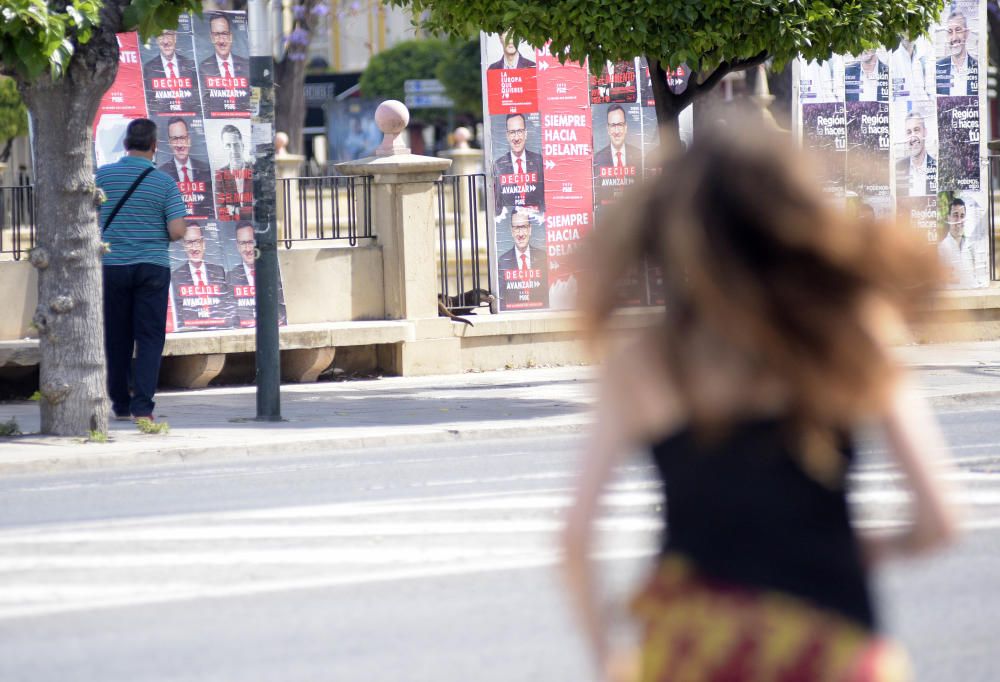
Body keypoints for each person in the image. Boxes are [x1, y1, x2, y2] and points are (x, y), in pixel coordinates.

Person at [562, 125, 958, 682]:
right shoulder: (849, 330)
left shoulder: (644, 361)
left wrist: (609, 659)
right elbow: (940, 521)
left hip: (694, 648)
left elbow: (576, 540)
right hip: (832, 647)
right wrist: (850, 546)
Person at [96, 118, 188, 420]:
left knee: (116, 336)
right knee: (149, 338)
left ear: (125, 144)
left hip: (112, 267)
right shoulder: (165, 183)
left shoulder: (103, 177)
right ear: (154, 146)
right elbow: (176, 231)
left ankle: (120, 404)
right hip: (152, 268)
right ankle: (143, 408)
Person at [172, 222, 232, 328]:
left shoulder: (218, 271)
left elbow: (226, 306)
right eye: (190, 242)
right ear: (184, 245)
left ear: (203, 244)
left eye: (197, 241)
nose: (194, 248)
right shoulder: (176, 277)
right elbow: (178, 313)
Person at [227, 221, 287, 326]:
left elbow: (282, 305)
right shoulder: (230, 277)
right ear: (237, 246)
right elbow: (231, 311)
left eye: (250, 242)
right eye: (243, 243)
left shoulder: (274, 271)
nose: (248, 249)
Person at [158, 117, 214, 217]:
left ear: (189, 140)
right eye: (175, 139)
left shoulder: (206, 169)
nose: (179, 145)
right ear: (169, 142)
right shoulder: (161, 174)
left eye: (182, 138)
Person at [492, 113, 545, 215]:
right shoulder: (499, 165)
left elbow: (544, 199)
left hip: (537, 222)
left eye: (519, 131)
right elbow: (498, 206)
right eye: (512, 132)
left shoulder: (538, 161)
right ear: (507, 135)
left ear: (526, 133)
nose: (516, 138)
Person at [938, 198, 986, 289]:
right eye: (955, 215)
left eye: (962, 215)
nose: (959, 219)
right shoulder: (941, 249)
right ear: (949, 217)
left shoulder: (970, 247)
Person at [214, 124, 253, 221]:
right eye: (228, 145)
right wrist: (247, 211)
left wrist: (235, 210)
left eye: (236, 145)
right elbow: (221, 212)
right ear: (224, 149)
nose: (233, 150)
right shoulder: (220, 175)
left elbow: (261, 209)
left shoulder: (255, 170)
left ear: (242, 146)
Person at [936, 11, 978, 96]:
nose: (954, 37)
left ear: (966, 33)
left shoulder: (979, 68)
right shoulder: (937, 68)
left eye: (958, 30)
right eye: (950, 31)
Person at [895, 111, 936, 197]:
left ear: (925, 132)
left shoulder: (937, 167)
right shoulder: (897, 168)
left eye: (916, 130)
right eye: (909, 132)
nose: (913, 137)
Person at [200, 13, 249, 79]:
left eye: (224, 34)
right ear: (212, 38)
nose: (221, 41)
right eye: (216, 34)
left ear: (230, 37)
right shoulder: (204, 68)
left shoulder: (246, 65)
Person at [594, 105, 640, 170]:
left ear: (625, 128)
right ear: (608, 129)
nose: (617, 131)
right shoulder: (598, 159)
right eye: (613, 125)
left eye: (620, 125)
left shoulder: (639, 155)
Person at [890, 36, 934, 101]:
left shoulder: (922, 60)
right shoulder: (892, 60)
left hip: (922, 109)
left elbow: (930, 93)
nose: (908, 33)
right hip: (901, 109)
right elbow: (890, 97)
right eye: (905, 28)